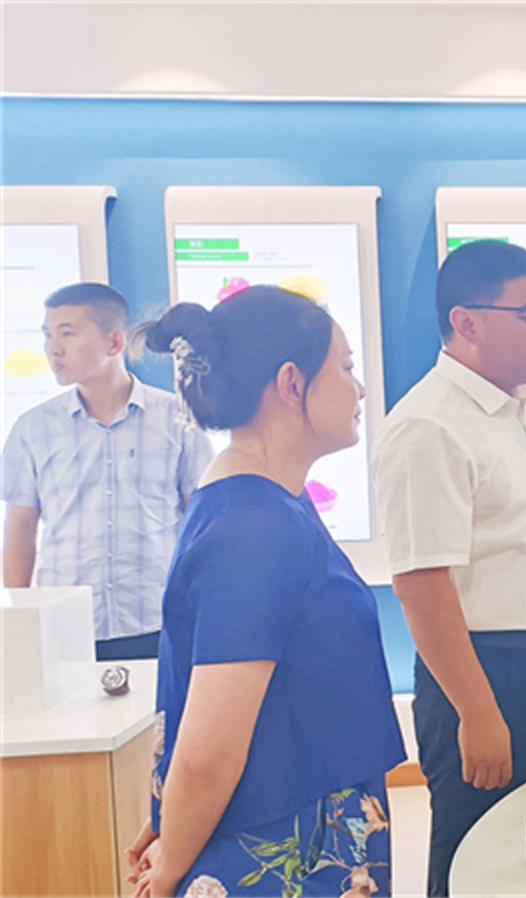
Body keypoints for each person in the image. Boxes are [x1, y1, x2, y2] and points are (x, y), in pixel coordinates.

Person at [125, 286, 403, 897]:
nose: (359, 390)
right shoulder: (256, 527)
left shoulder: (265, 502)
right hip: (279, 850)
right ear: (291, 383)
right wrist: (172, 860)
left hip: (297, 825)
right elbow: (210, 746)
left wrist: (175, 824)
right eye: (346, 368)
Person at [374, 240, 526, 896]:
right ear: (466, 322)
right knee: (477, 858)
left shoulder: (519, 411)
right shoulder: (430, 425)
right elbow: (421, 585)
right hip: (492, 678)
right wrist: (477, 712)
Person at [3, 283, 213, 661]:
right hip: (63, 626)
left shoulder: (178, 420)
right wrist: (17, 625)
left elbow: (198, 523)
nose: (54, 349)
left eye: (68, 333)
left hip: (157, 620)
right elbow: (20, 529)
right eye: (48, 335)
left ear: (114, 343)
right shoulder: (33, 428)